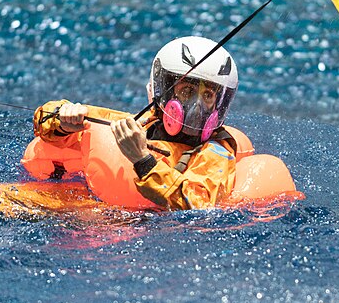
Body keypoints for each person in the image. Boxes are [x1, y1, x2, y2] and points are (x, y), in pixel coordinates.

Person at [32, 36, 240, 210]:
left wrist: (142, 160)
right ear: (163, 92)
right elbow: (45, 118)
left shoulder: (216, 152)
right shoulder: (142, 122)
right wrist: (63, 121)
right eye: (187, 92)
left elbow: (199, 205)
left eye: (208, 96)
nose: (197, 106)